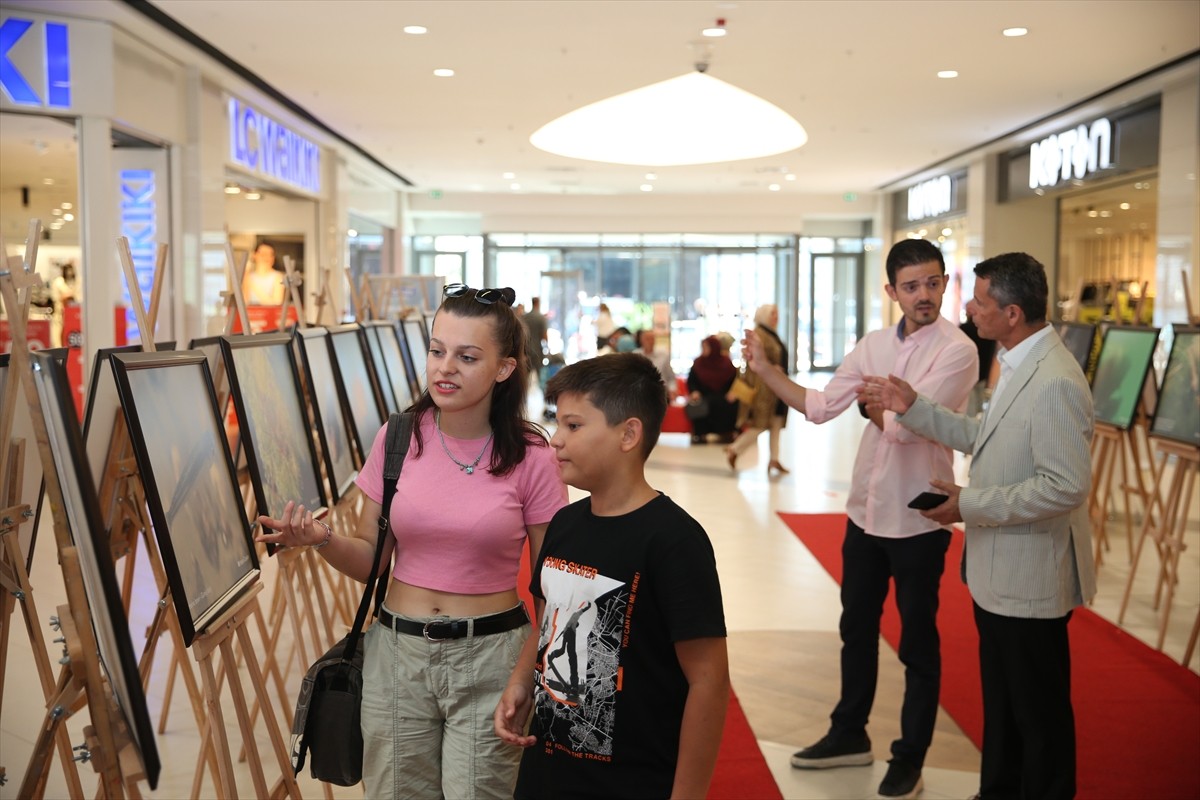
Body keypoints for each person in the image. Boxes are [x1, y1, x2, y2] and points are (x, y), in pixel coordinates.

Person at [257, 283, 568, 799]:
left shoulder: (531, 456)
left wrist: (524, 674)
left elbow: (552, 589)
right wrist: (320, 538)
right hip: (397, 657)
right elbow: (371, 560)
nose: (445, 368)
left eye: (467, 357)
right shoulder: (398, 437)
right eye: (437, 350)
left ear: (504, 368)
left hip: (492, 658)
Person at [745, 239, 978, 798]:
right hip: (865, 514)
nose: (924, 295)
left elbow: (908, 427)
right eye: (912, 286)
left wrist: (883, 407)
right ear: (892, 291)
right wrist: (767, 371)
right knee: (856, 629)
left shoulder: (958, 350)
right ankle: (849, 733)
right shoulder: (873, 345)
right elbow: (821, 406)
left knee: (918, 643)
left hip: (920, 517)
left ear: (945, 284)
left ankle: (910, 756)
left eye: (933, 283)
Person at [862, 252, 1097, 800]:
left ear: (1012, 313)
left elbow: (1064, 486)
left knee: (1037, 714)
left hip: (1030, 576)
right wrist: (916, 407)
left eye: (980, 300)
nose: (968, 308)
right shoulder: (1017, 361)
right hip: (1001, 574)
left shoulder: (1054, 380)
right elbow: (983, 436)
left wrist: (969, 503)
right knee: (1005, 705)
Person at [494, 352, 729, 800]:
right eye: (558, 423)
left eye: (574, 425)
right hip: (546, 774)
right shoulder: (564, 524)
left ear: (628, 434)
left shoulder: (674, 541)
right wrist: (521, 681)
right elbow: (548, 623)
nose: (556, 440)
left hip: (632, 780)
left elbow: (709, 681)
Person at [725, 303, 789, 475]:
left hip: (778, 388)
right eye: (772, 314)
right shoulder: (759, 335)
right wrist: (772, 368)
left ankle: (774, 460)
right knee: (760, 425)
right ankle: (735, 449)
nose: (776, 317)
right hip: (765, 390)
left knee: (776, 424)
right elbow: (752, 362)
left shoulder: (772, 334)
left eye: (776, 314)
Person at [686, 334, 738, 444]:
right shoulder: (698, 363)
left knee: (729, 404)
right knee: (700, 404)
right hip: (704, 395)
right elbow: (692, 381)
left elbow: (734, 381)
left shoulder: (726, 363)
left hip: (723, 396)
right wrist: (694, 391)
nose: (704, 350)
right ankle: (700, 435)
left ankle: (726, 434)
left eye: (706, 347)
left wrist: (732, 392)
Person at [637, 329, 678, 401]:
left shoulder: (664, 355)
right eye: (647, 339)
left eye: (652, 338)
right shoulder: (636, 355)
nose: (650, 341)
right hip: (641, 395)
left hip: (661, 394)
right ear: (641, 340)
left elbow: (671, 377)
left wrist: (672, 390)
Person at [523, 296, 549, 376]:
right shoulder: (541, 318)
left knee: (526, 374)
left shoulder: (525, 317)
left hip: (526, 349)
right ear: (538, 303)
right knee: (538, 374)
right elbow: (544, 336)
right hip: (537, 350)